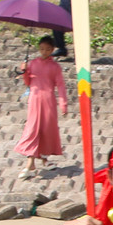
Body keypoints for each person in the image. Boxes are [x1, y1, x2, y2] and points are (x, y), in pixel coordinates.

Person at [15, 36, 68, 177]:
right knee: (33, 129)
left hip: (48, 101)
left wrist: (63, 103)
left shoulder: (55, 67)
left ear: (52, 50)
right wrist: (24, 71)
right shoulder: (32, 63)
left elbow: (61, 85)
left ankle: (43, 159)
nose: (44, 52)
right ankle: (30, 164)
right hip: (34, 99)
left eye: (48, 49)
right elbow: (28, 82)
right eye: (42, 49)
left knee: (46, 130)